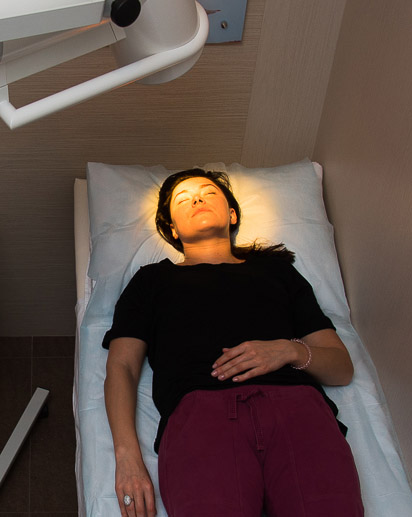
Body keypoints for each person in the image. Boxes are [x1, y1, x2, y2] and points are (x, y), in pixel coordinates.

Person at [103, 169, 364, 517]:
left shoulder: (278, 272)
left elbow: (341, 368)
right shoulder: (152, 281)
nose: (197, 199)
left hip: (298, 412)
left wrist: (288, 350)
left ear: (231, 215)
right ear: (173, 229)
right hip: (202, 419)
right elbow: (122, 366)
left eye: (209, 192)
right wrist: (127, 458)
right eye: (183, 199)